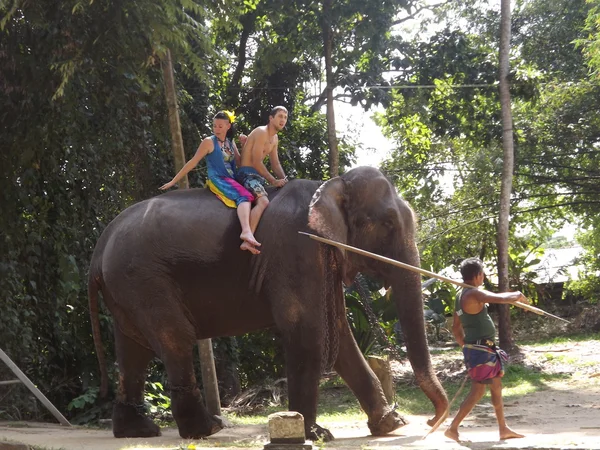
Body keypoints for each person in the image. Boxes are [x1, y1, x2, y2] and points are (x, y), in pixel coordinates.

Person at [444, 257, 527, 442]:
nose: (484, 277)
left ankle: (503, 429)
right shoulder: (473, 294)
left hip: (483, 350)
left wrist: (466, 346)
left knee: (495, 387)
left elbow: (456, 327)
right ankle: (452, 428)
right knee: (478, 391)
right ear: (477, 275)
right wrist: (518, 294)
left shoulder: (461, 295)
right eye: (482, 273)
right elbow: (500, 298)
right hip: (481, 351)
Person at [159, 110, 261, 255]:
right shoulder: (208, 142)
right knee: (244, 196)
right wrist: (174, 180)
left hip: (233, 177)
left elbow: (239, 162)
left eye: (220, 126)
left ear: (228, 126)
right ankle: (245, 231)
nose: (217, 129)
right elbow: (192, 162)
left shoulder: (230, 142)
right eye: (214, 126)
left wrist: (245, 146)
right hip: (218, 178)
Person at [235, 106, 289, 233]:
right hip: (247, 174)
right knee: (264, 202)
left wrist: (286, 180)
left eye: (285, 117)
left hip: (258, 177)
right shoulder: (261, 132)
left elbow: (275, 163)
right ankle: (248, 236)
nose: (283, 120)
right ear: (271, 118)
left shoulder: (274, 138)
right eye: (280, 116)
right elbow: (256, 162)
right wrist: (273, 181)